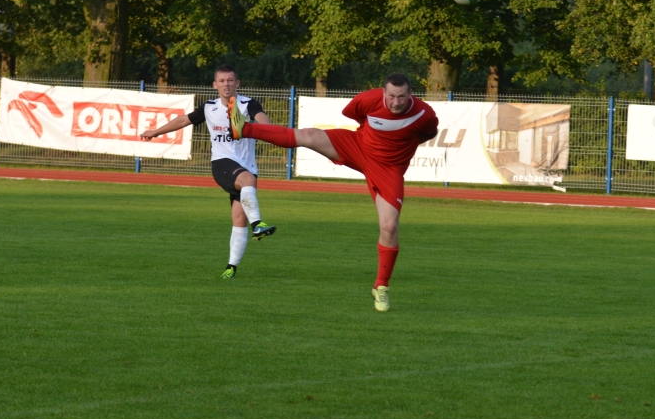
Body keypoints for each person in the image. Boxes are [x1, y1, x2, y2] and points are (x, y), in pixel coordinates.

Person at [227, 73, 438, 312]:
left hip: (389, 169)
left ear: (411, 94)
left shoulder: (424, 114)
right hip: (358, 146)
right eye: (391, 96)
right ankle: (245, 128)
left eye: (401, 97)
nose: (396, 102)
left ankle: (381, 286)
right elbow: (353, 114)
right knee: (309, 135)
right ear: (383, 93)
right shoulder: (368, 100)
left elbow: (429, 133)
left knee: (389, 227)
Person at [140, 65, 276, 279]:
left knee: (239, 218)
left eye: (230, 80)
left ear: (237, 83)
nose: (226, 84)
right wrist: (156, 132)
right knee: (247, 181)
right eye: (222, 81)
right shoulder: (209, 107)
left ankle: (231, 268)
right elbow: (184, 120)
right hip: (222, 163)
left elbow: (262, 119)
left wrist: (268, 129)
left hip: (246, 166)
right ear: (215, 85)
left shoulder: (248, 104)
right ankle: (258, 224)